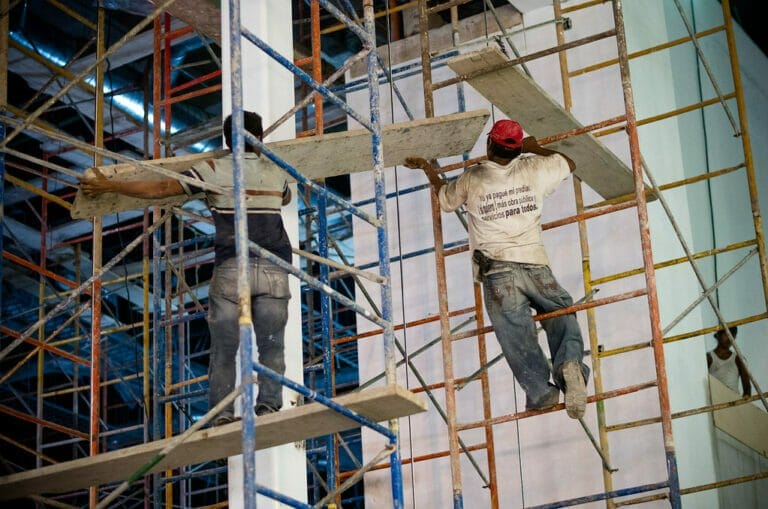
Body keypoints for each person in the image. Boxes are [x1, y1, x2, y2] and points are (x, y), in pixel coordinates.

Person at [80, 111, 292, 425]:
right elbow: (285, 199)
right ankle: (269, 407)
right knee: (272, 346)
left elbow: (159, 190)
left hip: (233, 268)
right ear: (259, 137)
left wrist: (110, 184)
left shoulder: (213, 168)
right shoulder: (277, 171)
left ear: (226, 140)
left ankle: (221, 415)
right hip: (274, 270)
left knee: (224, 348)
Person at [405, 119, 589, 419]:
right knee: (562, 314)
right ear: (517, 149)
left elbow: (446, 200)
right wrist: (536, 148)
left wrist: (428, 168)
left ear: (489, 145)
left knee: (517, 336)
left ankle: (541, 392)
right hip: (535, 265)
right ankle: (570, 365)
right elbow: (569, 162)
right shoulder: (534, 168)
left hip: (497, 272)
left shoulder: (474, 177)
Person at [707, 326, 751, 396]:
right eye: (726, 335)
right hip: (715, 400)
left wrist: (743, 404)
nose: (729, 339)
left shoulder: (738, 359)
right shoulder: (709, 357)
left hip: (733, 400)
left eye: (732, 336)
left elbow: (747, 388)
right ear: (718, 335)